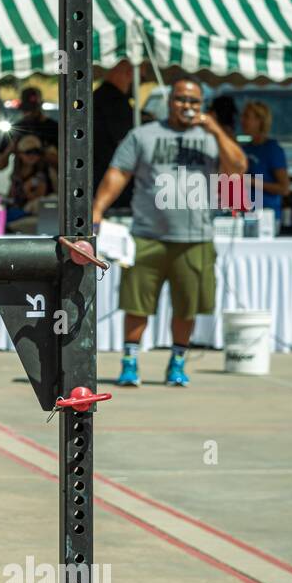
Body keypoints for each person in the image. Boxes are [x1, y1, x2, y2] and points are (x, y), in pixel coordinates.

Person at [91, 75, 247, 387]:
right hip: (148, 234)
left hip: (194, 238)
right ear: (169, 101)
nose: (186, 106)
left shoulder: (213, 138)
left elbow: (238, 169)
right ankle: (130, 362)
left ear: (201, 105)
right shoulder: (144, 135)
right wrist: (97, 210)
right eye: (181, 99)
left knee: (186, 305)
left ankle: (177, 362)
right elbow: (119, 172)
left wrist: (215, 128)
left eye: (193, 101)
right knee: (137, 304)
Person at [239, 100, 289, 232]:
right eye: (242, 116)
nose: (242, 121)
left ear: (260, 121)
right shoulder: (244, 148)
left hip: (266, 218)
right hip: (245, 214)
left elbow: (284, 188)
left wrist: (251, 182)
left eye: (247, 117)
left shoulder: (272, 149)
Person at [92, 60, 133, 211]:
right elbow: (126, 145)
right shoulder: (114, 101)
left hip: (99, 180)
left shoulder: (97, 97)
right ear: (129, 73)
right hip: (111, 185)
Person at [0, 85, 58, 172]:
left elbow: (64, 164)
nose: (29, 113)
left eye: (32, 109)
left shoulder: (53, 128)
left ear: (40, 106)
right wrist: (9, 150)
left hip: (48, 183)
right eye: (26, 109)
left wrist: (42, 152)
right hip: (21, 183)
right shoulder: (16, 128)